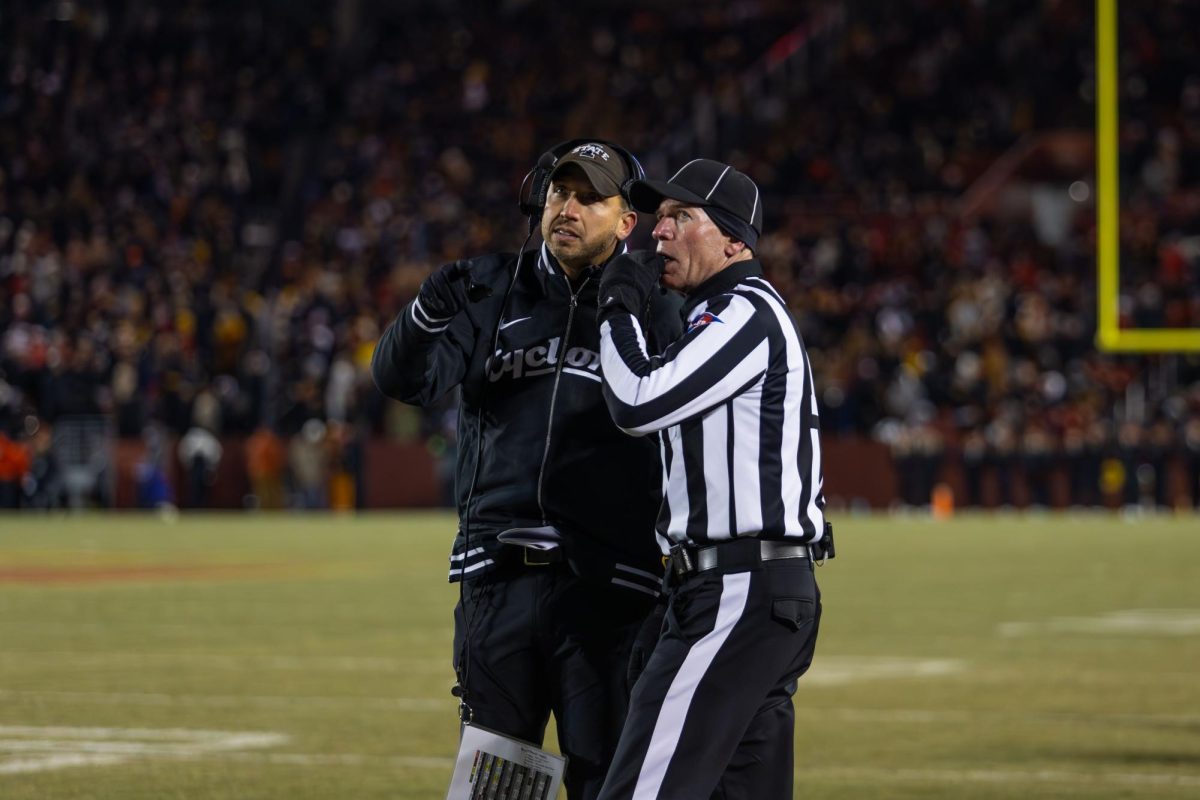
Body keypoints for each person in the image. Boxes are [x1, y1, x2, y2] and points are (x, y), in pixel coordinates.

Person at [371, 140, 682, 798]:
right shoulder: (493, 290)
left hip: (610, 589)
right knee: (496, 787)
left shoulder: (655, 307)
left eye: (590, 197)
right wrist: (428, 311)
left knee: (607, 784)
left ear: (628, 222)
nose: (568, 207)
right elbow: (403, 379)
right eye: (559, 193)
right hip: (497, 580)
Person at [593, 159, 831, 799]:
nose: (658, 234)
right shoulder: (711, 318)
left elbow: (637, 401)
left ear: (734, 240)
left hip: (738, 590)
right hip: (744, 587)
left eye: (681, 217)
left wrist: (616, 304)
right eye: (660, 218)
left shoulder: (745, 311)